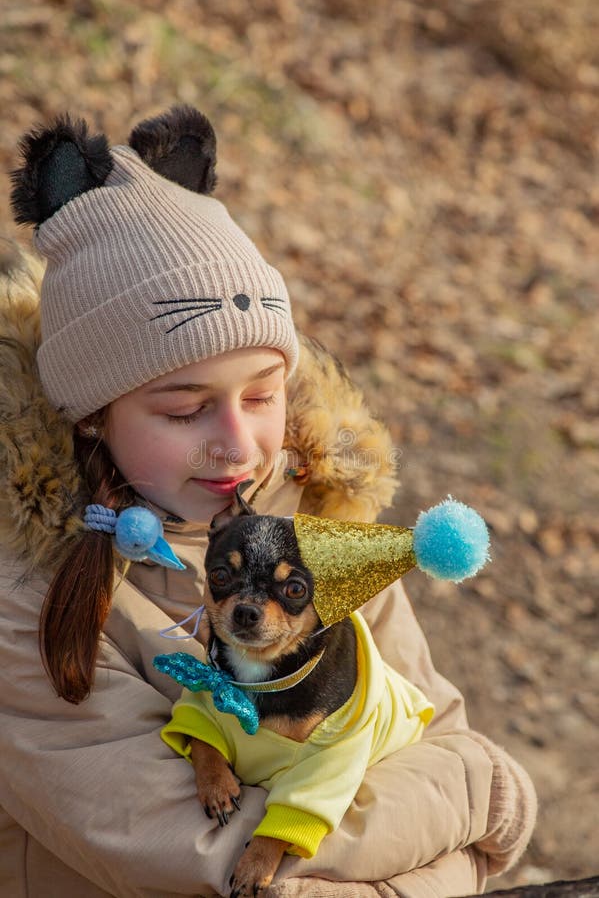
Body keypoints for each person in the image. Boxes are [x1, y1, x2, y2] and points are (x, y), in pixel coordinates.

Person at [0, 105, 536, 898]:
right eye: (185, 410)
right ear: (91, 413)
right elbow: (202, 860)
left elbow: (428, 733)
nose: (238, 444)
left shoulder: (315, 529)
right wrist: (479, 802)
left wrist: (460, 807)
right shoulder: (27, 592)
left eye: (263, 394)